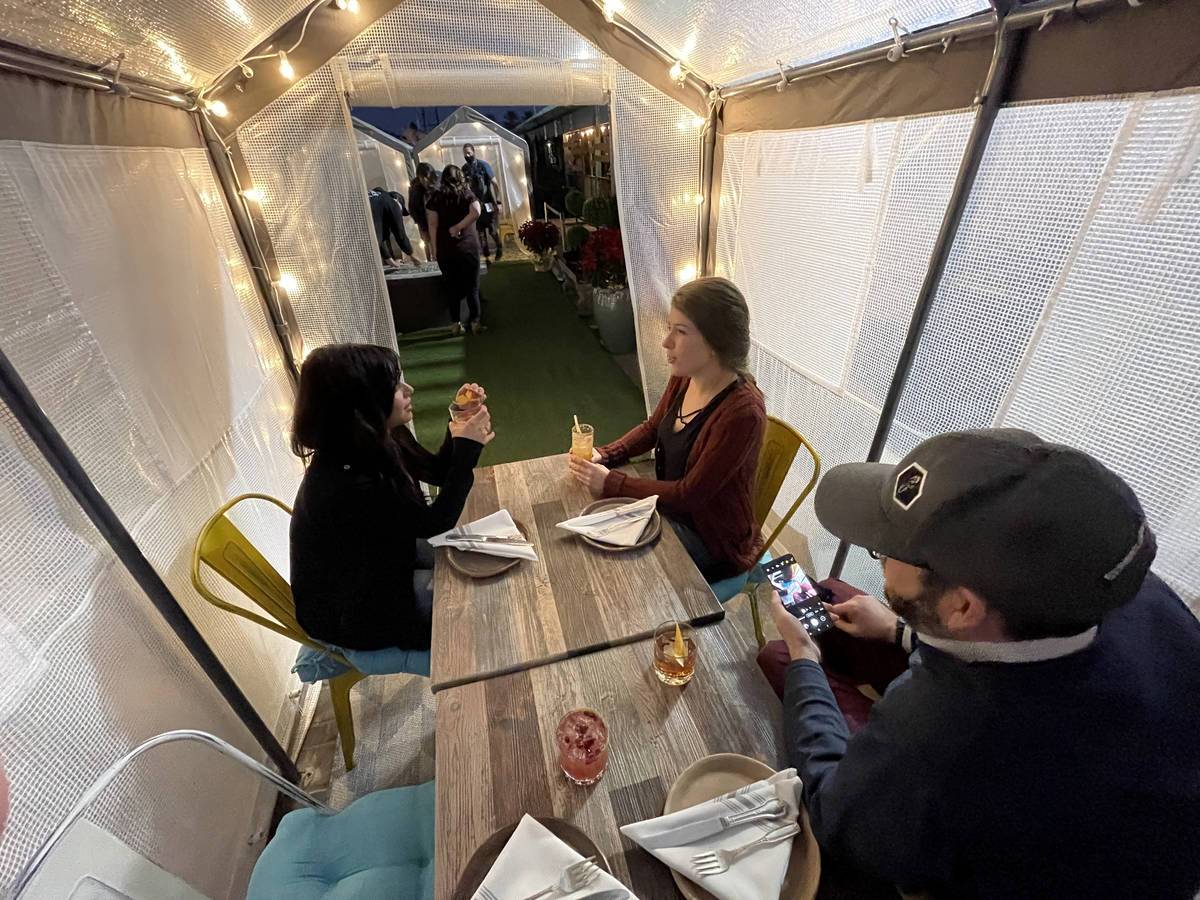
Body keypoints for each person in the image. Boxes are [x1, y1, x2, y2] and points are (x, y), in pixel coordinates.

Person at [766, 428, 1200, 899]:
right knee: (835, 601)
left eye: (885, 550)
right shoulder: (1119, 587)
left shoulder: (940, 734)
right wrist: (900, 630)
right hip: (1139, 819)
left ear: (962, 609)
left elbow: (834, 816)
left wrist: (804, 656)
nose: (884, 559)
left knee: (783, 660)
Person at [289, 344, 494, 659]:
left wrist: (459, 425)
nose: (408, 389)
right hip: (354, 613)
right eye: (395, 385)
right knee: (477, 601)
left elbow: (436, 471)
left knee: (482, 559)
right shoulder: (348, 479)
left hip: (378, 567)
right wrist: (466, 449)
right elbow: (434, 523)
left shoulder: (369, 438)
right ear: (363, 403)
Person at [568, 277, 765, 582]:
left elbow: (689, 495)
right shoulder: (687, 375)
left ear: (715, 342)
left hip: (714, 541)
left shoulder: (743, 414)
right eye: (670, 328)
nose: (666, 342)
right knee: (591, 532)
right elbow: (651, 429)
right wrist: (604, 454)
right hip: (670, 509)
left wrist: (612, 483)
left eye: (680, 331)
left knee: (614, 568)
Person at [426, 165, 486, 336]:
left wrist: (435, 249)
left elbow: (432, 225)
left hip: (446, 250)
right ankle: (475, 322)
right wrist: (459, 226)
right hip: (468, 248)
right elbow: (476, 211)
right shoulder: (466, 194)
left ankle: (455, 324)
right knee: (472, 286)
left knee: (451, 288)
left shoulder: (435, 198)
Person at [462, 143, 502, 262]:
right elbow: (464, 186)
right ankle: (486, 256)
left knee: (492, 230)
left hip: (488, 202)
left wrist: (498, 201)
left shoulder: (483, 165)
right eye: (465, 153)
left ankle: (499, 248)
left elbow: (495, 183)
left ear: (474, 152)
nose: (467, 155)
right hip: (475, 205)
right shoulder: (464, 169)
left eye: (469, 153)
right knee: (480, 233)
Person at [368, 187, 417, 267]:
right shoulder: (393, 202)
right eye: (401, 211)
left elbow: (379, 237)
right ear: (397, 201)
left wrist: (392, 263)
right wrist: (414, 257)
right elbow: (400, 234)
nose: (400, 214)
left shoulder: (375, 199)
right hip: (366, 247)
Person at [408, 162, 437, 262]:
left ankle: (435, 258)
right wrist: (419, 221)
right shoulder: (415, 189)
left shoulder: (434, 185)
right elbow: (412, 206)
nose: (426, 181)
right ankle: (430, 259)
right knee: (427, 241)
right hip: (423, 219)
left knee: (434, 240)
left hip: (434, 218)